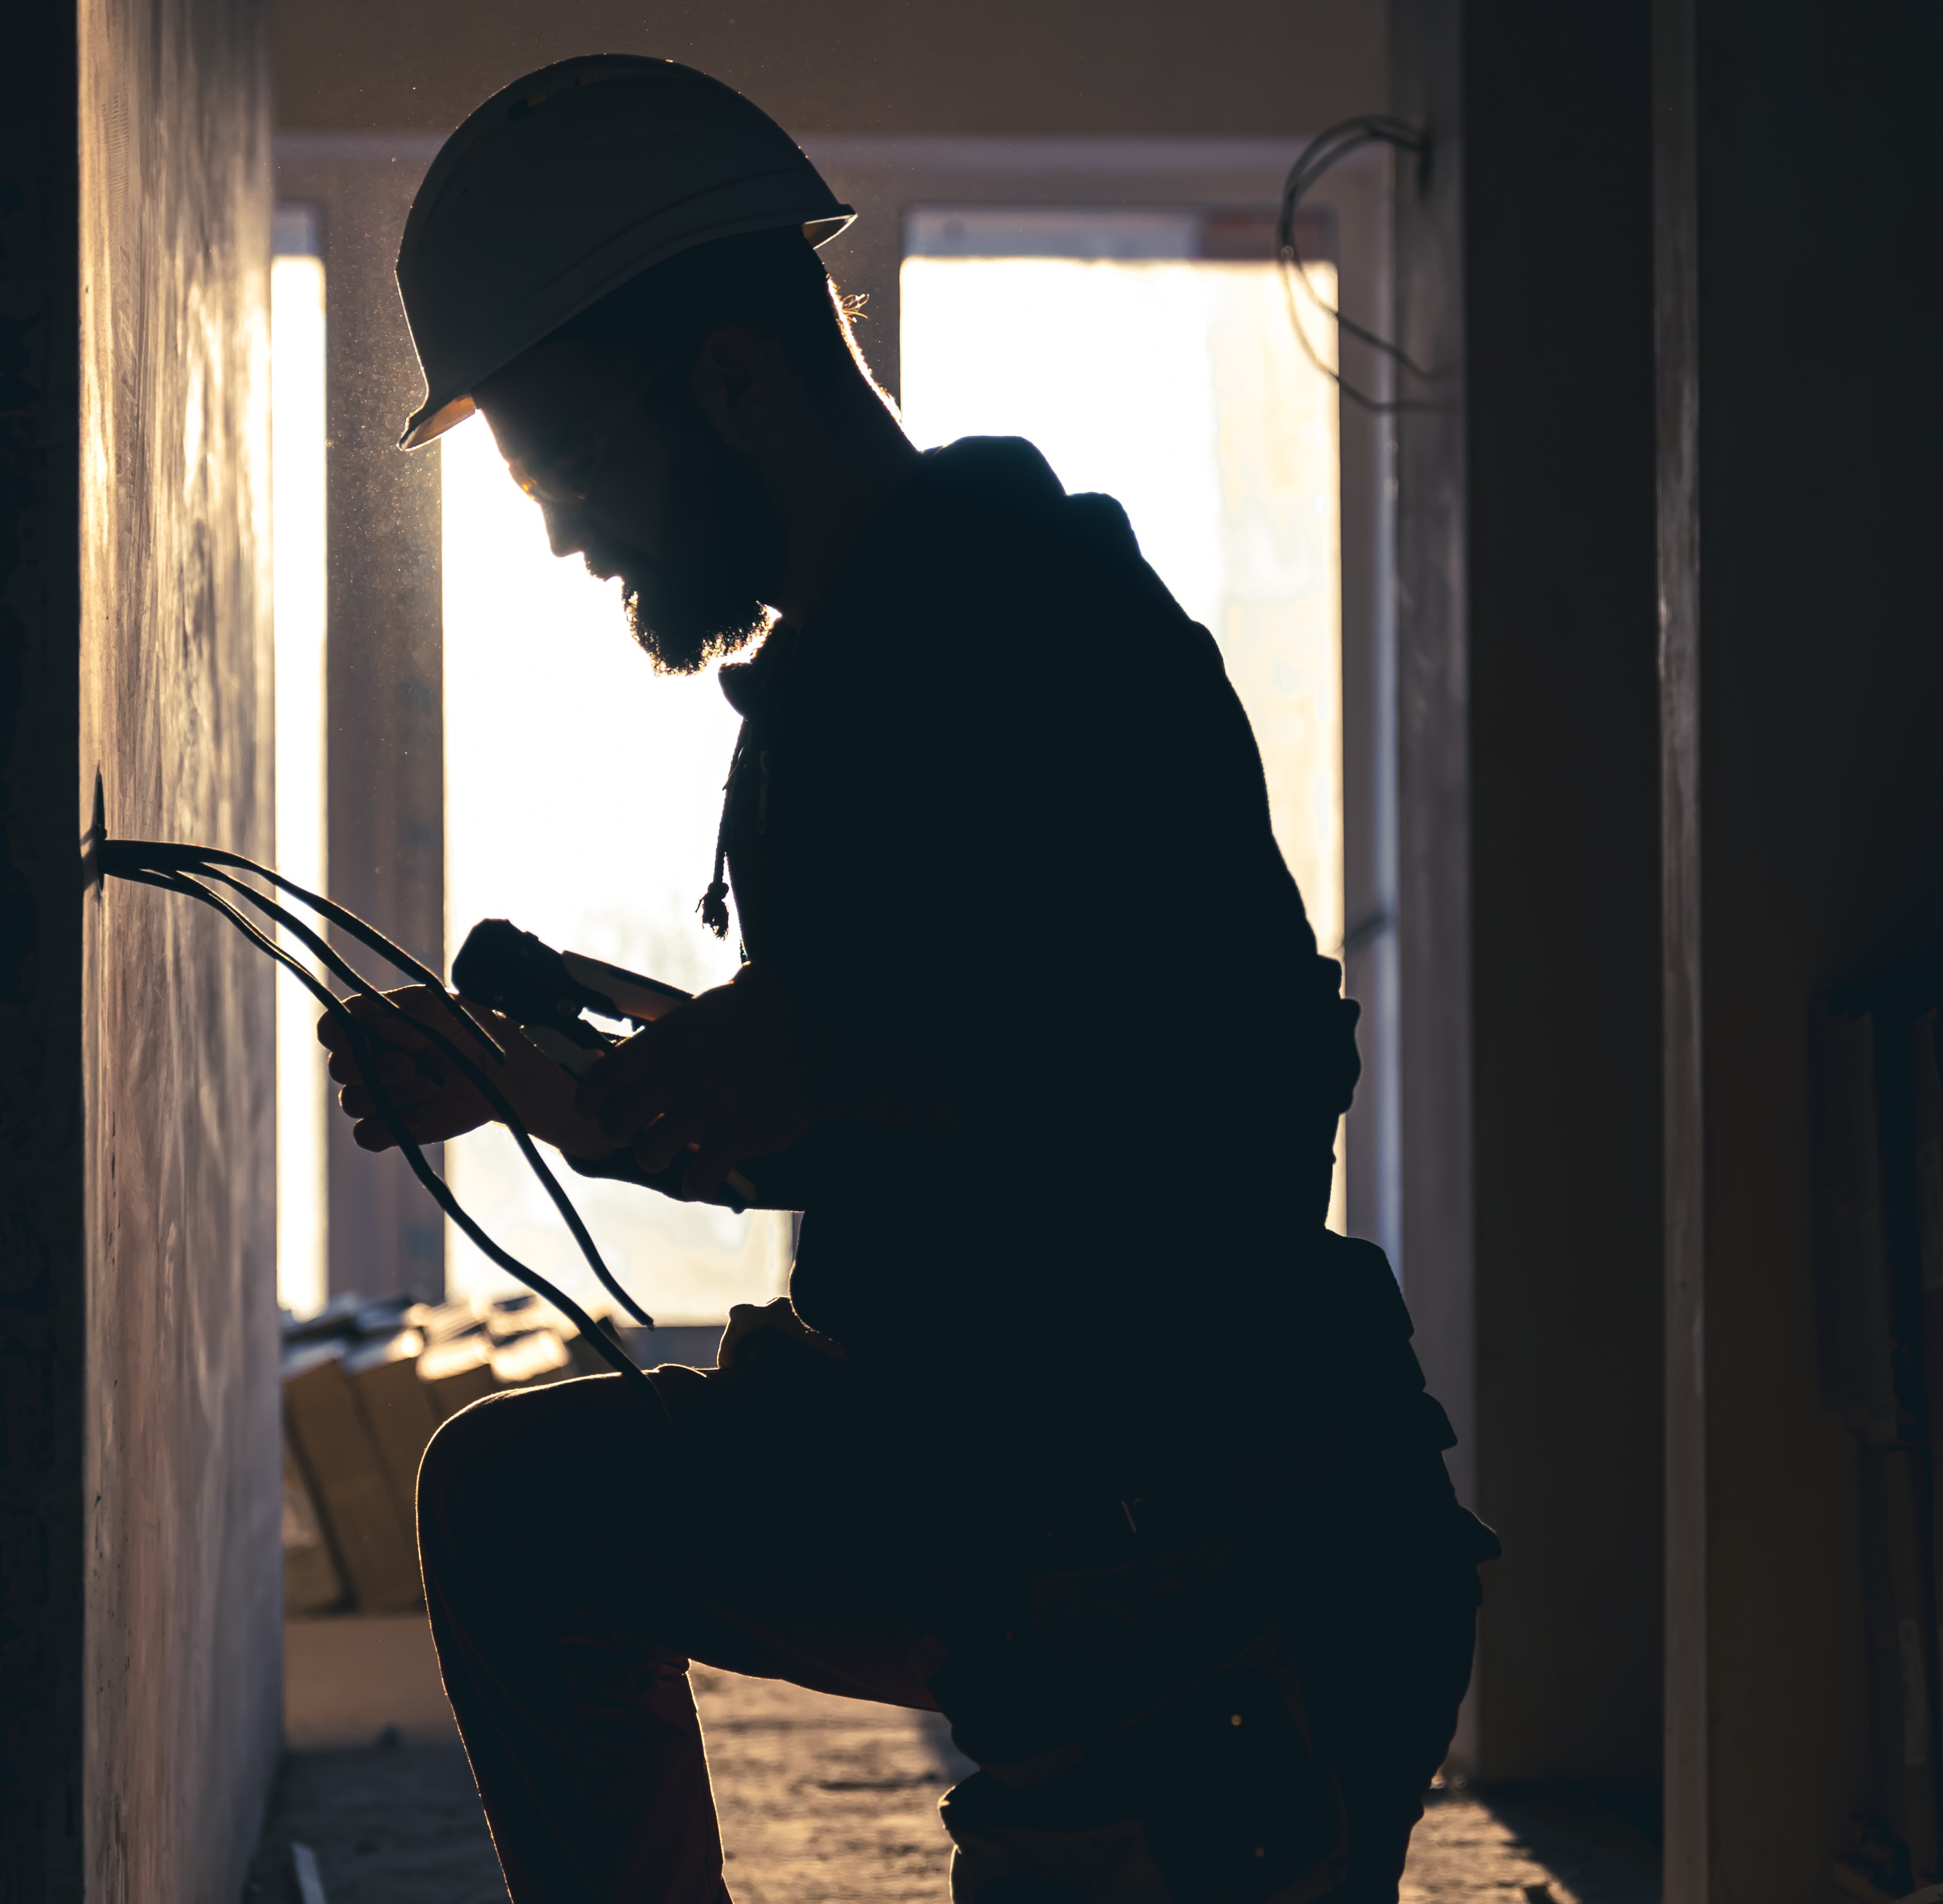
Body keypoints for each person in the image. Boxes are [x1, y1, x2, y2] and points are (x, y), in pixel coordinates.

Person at [322, 55, 1496, 1904]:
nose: (560, 532)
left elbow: (1244, 1078)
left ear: (729, 376)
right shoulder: (849, 672)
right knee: (519, 1508)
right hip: (982, 1474)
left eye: (567, 467)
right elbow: (844, 1103)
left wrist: (852, 1067)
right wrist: (526, 1076)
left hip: (1210, 1551)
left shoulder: (1029, 626)